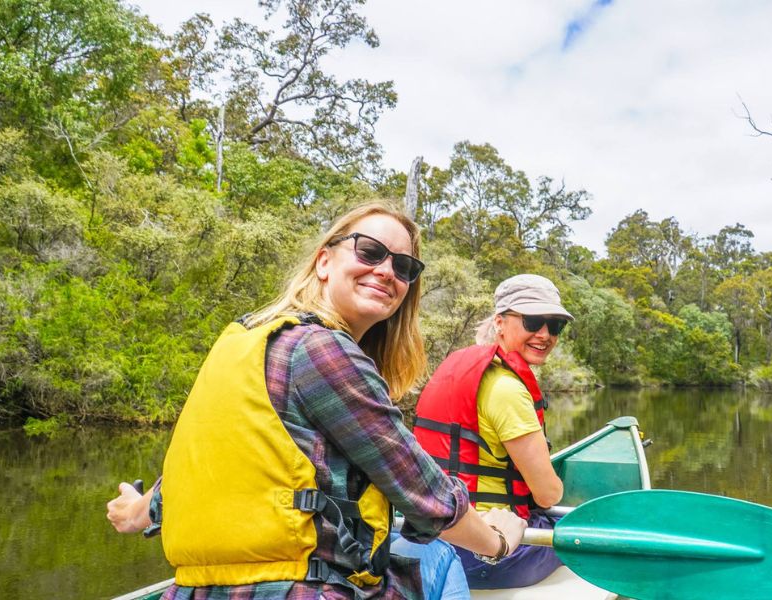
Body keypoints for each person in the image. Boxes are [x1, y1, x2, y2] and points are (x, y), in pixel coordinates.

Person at [106, 201, 526, 600]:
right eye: (370, 251)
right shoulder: (322, 351)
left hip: (193, 589)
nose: (386, 271)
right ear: (325, 260)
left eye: (403, 266)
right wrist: (496, 540)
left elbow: (206, 470)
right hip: (301, 589)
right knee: (439, 555)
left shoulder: (245, 340)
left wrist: (136, 512)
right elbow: (424, 496)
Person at [413, 274, 572, 589]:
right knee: (577, 527)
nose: (545, 334)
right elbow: (548, 494)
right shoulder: (507, 389)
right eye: (533, 321)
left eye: (555, 326)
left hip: (434, 536)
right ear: (500, 322)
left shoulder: (459, 369)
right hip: (485, 551)